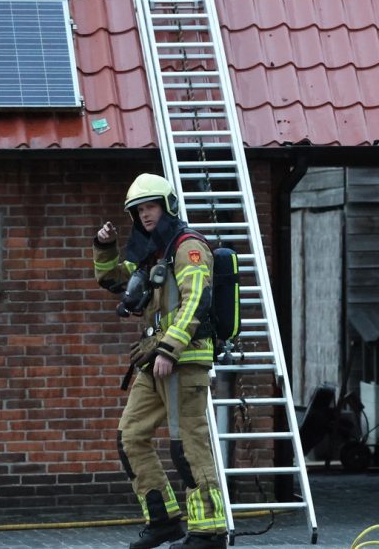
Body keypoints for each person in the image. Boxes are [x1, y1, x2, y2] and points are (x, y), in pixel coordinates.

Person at [94, 173, 228, 549]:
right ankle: (164, 519)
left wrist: (169, 348)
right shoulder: (152, 253)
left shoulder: (188, 247)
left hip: (182, 360)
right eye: (138, 210)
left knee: (188, 444)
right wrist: (105, 248)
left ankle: (209, 531)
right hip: (153, 360)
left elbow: (196, 300)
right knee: (130, 437)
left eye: (150, 206)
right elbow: (117, 283)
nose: (144, 215)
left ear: (167, 206)